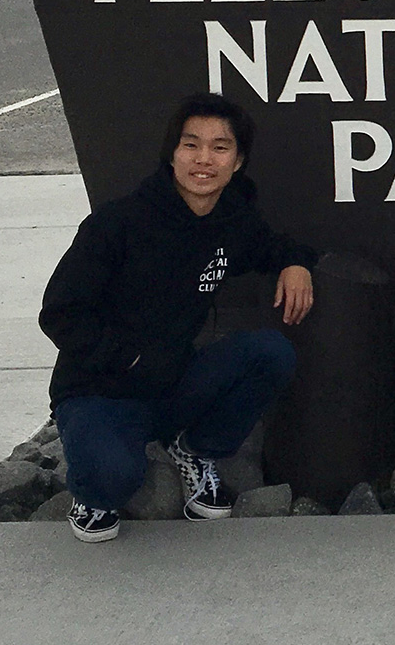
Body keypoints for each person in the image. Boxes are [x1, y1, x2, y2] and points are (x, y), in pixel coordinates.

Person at [39, 93, 316, 543]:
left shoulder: (232, 221)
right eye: (191, 145)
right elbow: (60, 313)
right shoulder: (118, 224)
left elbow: (272, 245)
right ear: (172, 154)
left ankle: (193, 451)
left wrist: (296, 263)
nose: (203, 159)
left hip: (172, 384)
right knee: (111, 483)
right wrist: (128, 360)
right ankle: (91, 492)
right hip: (100, 390)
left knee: (270, 353)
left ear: (238, 161)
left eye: (220, 147)